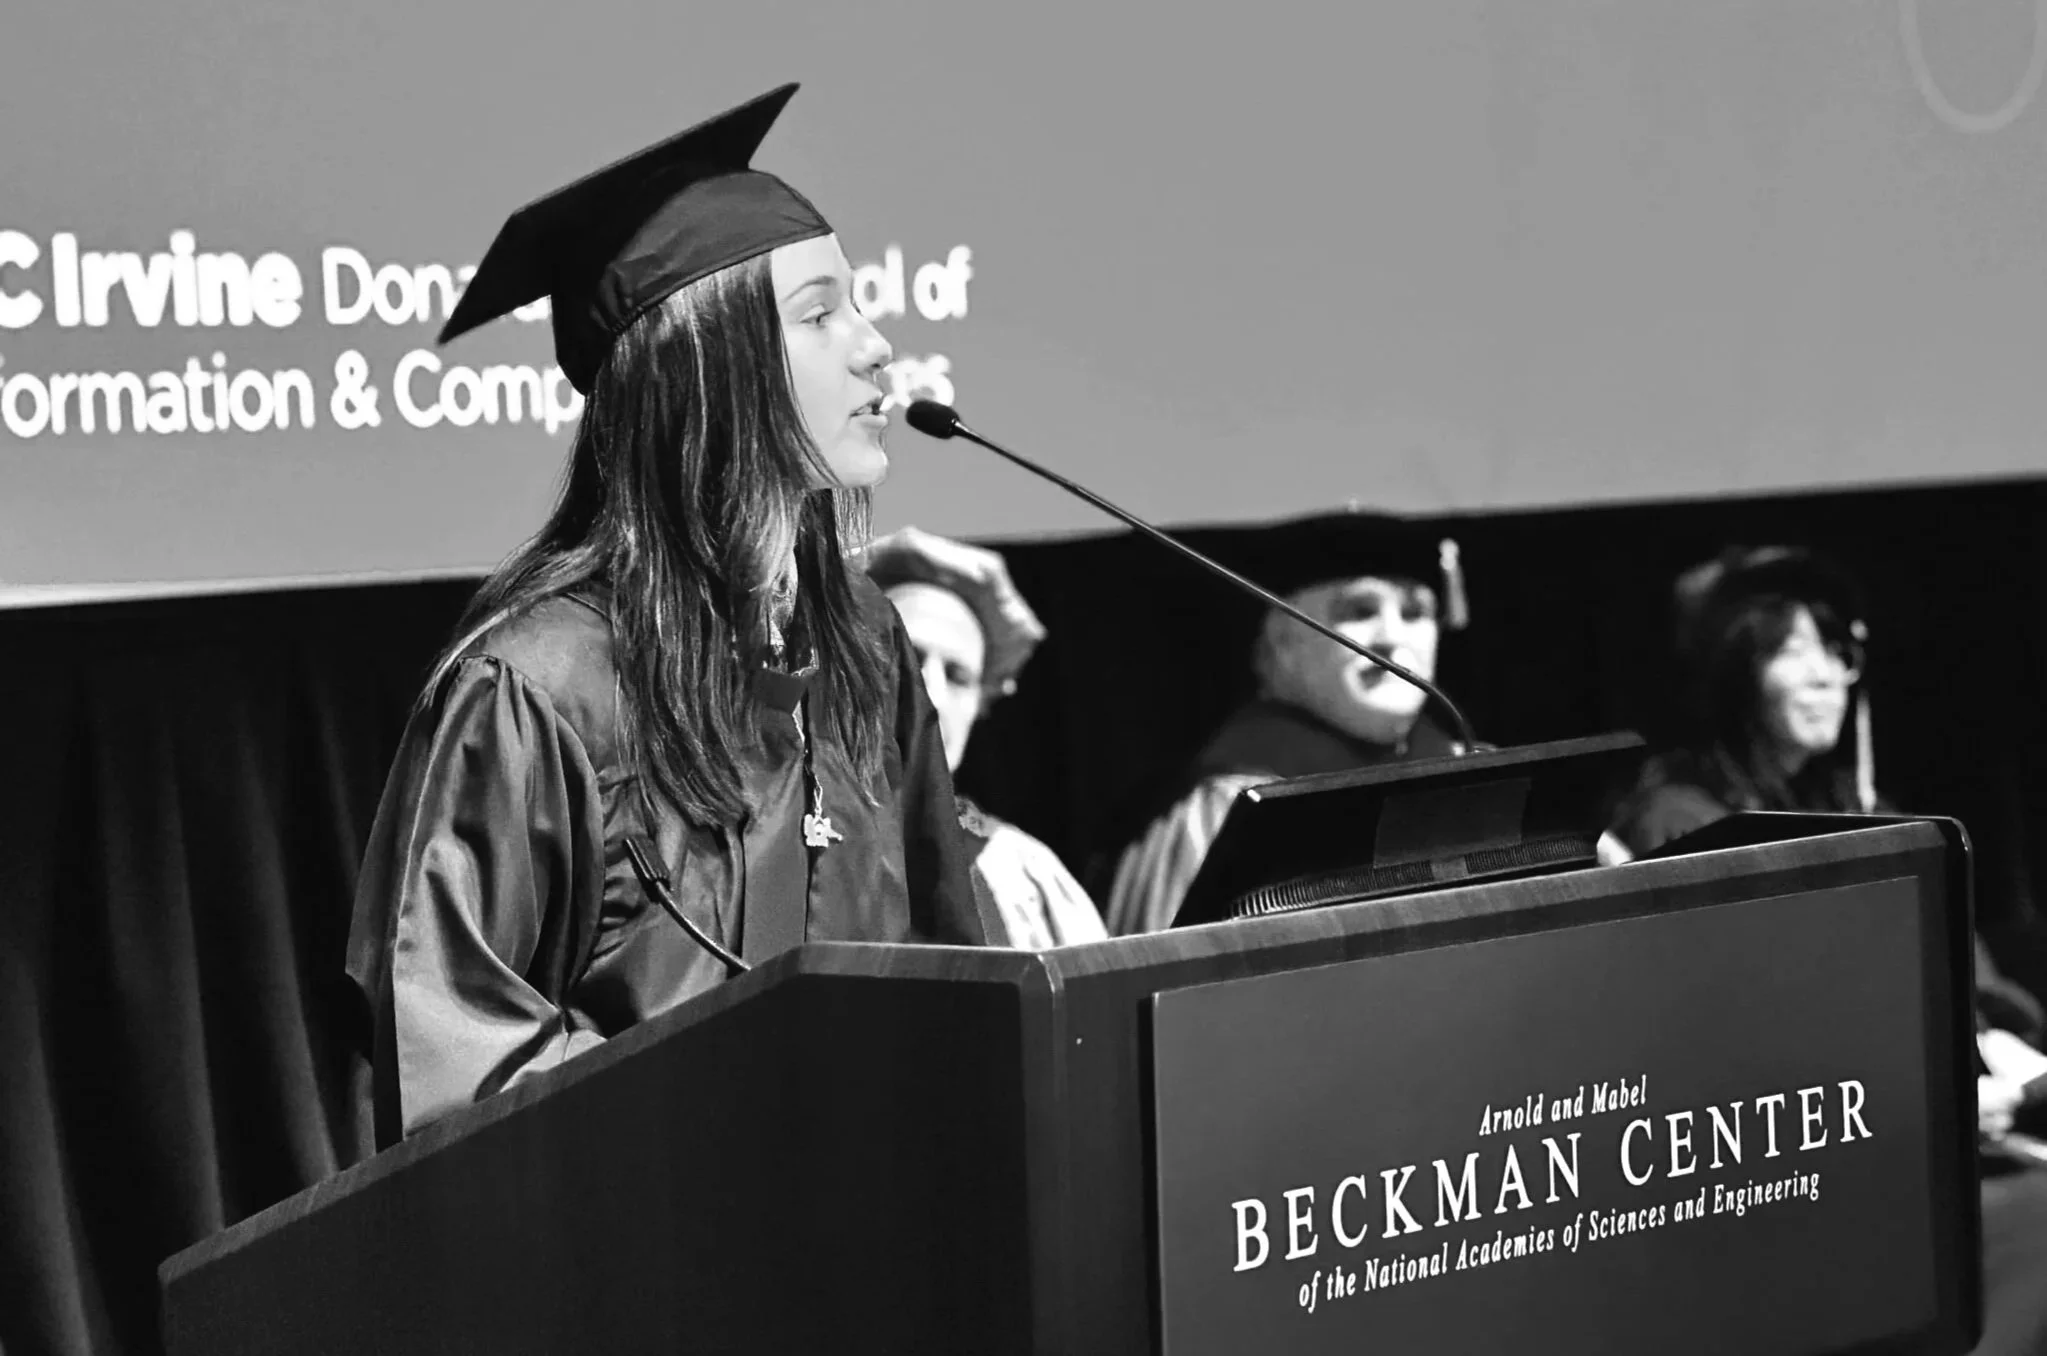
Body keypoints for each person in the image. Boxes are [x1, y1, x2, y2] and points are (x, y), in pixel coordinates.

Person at [345, 85, 997, 1145]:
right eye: (822, 314)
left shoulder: (865, 648)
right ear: (701, 367)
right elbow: (458, 1063)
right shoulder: (535, 689)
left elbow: (956, 974)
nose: (878, 348)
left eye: (861, 306)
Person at [1603, 546, 2047, 1356]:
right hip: (1797, 1155)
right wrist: (1917, 1093)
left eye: (1835, 652)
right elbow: (1727, 1029)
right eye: (1789, 652)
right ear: (1734, 671)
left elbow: (1958, 967)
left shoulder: (1853, 806)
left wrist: (1995, 1038)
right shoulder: (1679, 823)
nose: (1825, 678)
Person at [1100, 512, 1469, 935]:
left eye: (1415, 613)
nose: (1392, 636)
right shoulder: (1221, 811)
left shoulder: (1473, 776)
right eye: (1360, 611)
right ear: (1284, 643)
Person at [865, 526, 1108, 949]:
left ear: (982, 702)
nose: (932, 695)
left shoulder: (1019, 873)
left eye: (958, 677)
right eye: (906, 659)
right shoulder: (782, 840)